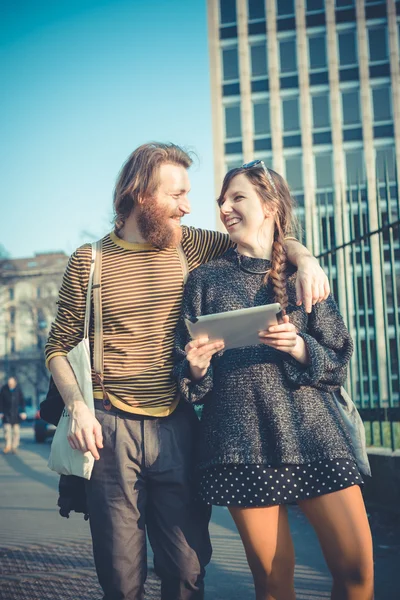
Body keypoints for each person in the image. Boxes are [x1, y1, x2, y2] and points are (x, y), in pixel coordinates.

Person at [45, 143, 330, 600]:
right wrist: (78, 407)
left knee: (187, 568)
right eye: (176, 195)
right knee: (120, 577)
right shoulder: (89, 261)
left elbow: (266, 239)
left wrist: (307, 258)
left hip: (179, 424)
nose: (189, 206)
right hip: (108, 427)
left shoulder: (191, 243)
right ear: (140, 194)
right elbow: (58, 346)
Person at [174, 161, 374, 600]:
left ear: (268, 206)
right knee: (273, 584)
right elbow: (187, 377)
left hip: (317, 436)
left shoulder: (304, 274)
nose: (224, 208)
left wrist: (299, 346)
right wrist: (196, 365)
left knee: (358, 575)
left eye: (236, 198)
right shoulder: (204, 279)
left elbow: (338, 359)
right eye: (221, 201)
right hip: (239, 444)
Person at [0, 376, 27, 454]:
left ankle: (14, 446)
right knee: (7, 431)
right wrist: (1, 412)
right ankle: (8, 446)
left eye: (11, 383)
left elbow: (22, 402)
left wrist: (23, 412)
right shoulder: (4, 389)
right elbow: (0, 402)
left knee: (16, 432)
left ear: (15, 383)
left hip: (16, 414)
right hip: (6, 414)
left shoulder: (18, 390)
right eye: (9, 383)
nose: (10, 384)